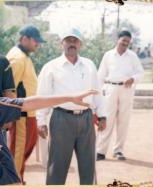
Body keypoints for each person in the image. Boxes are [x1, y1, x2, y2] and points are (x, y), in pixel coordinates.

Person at [36, 28, 106, 185]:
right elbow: (43, 95)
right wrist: (40, 121)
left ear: (80, 44)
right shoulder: (51, 67)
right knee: (57, 166)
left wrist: (102, 115)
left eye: (75, 41)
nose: (71, 44)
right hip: (61, 119)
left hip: (86, 119)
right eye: (68, 40)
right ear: (62, 44)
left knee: (88, 166)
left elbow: (97, 91)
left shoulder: (89, 65)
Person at [96, 30, 144, 161]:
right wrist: (98, 93)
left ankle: (118, 151)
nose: (125, 43)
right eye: (123, 40)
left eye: (128, 42)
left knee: (123, 121)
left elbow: (140, 72)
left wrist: (133, 78)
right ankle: (100, 151)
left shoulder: (132, 56)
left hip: (126, 89)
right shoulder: (108, 55)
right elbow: (100, 75)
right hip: (110, 89)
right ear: (117, 40)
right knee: (107, 119)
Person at [6, 25, 45, 183]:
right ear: (24, 39)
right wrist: (10, 115)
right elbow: (9, 90)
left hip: (29, 114)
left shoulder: (24, 56)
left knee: (22, 155)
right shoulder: (17, 58)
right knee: (17, 155)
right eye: (35, 41)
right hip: (20, 116)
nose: (38, 44)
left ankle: (18, 180)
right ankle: (13, 182)